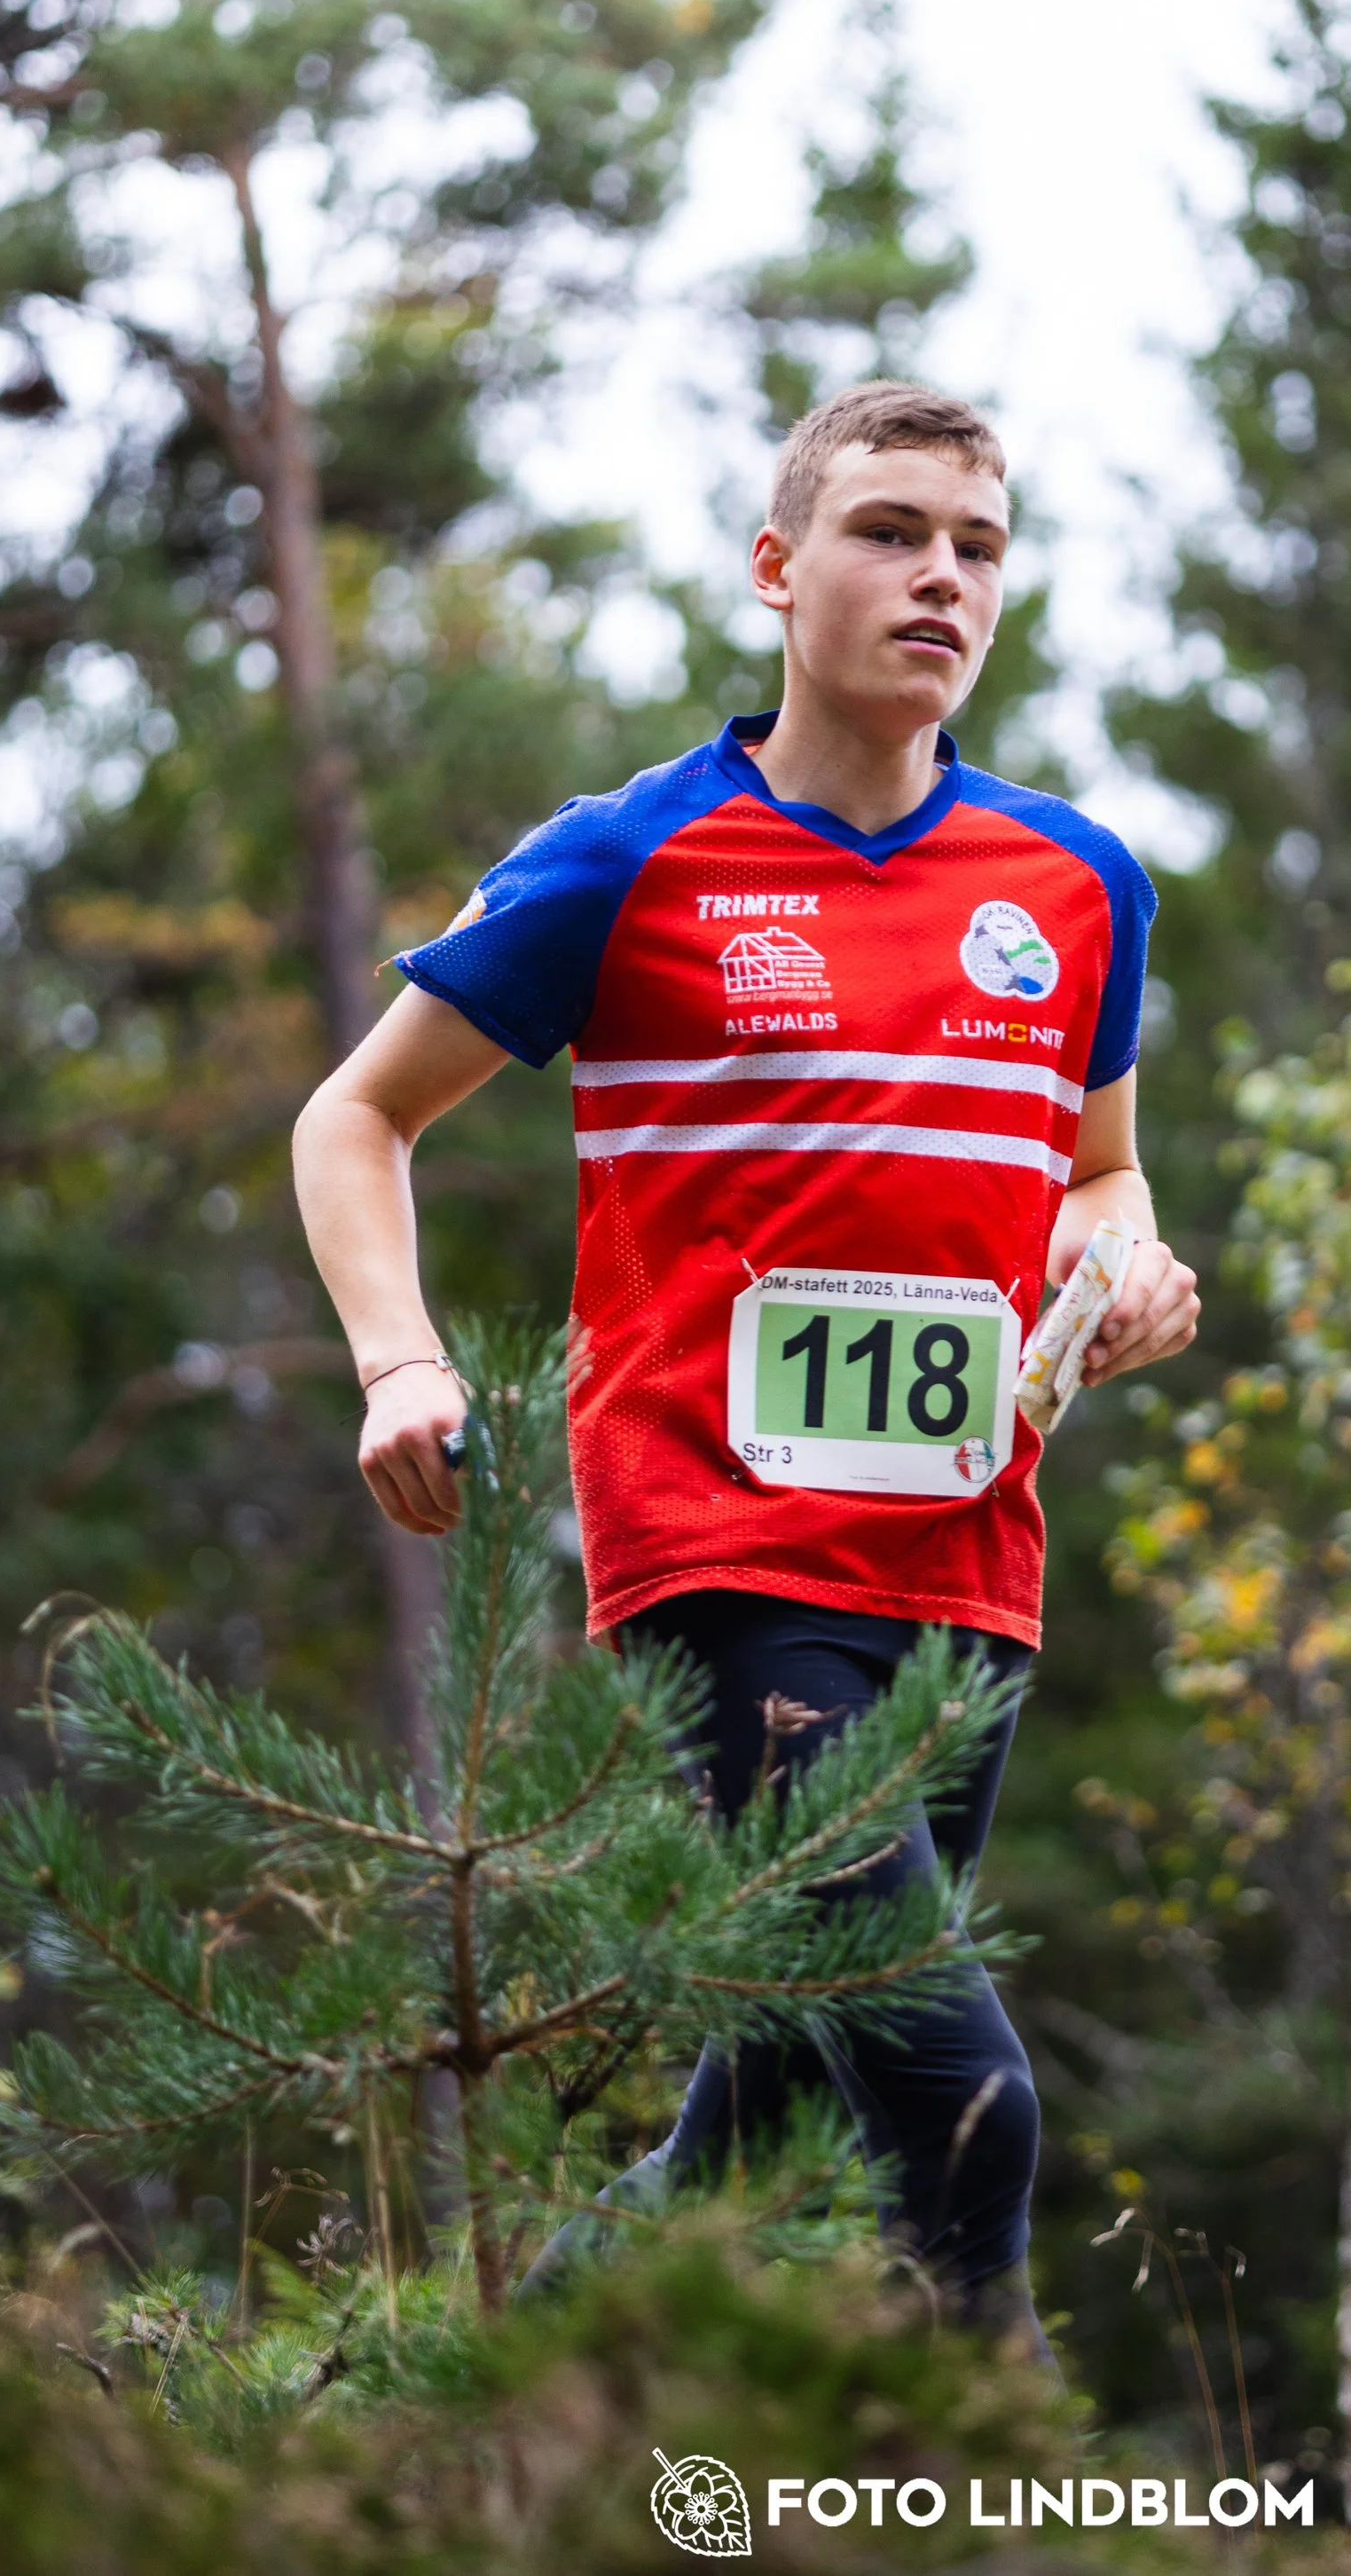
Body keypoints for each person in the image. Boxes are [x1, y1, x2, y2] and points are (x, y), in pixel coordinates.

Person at [292, 381, 1200, 2354]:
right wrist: (396, 1363)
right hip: (718, 1546)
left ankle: (460, 2417)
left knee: (765, 2110)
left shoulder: (1074, 884)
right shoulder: (632, 856)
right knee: (960, 2096)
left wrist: (1126, 1267)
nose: (941, 578)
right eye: (890, 531)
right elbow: (353, 1118)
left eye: (977, 546)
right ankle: (992, 2475)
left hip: (966, 1560)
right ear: (778, 568)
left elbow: (1100, 1170)